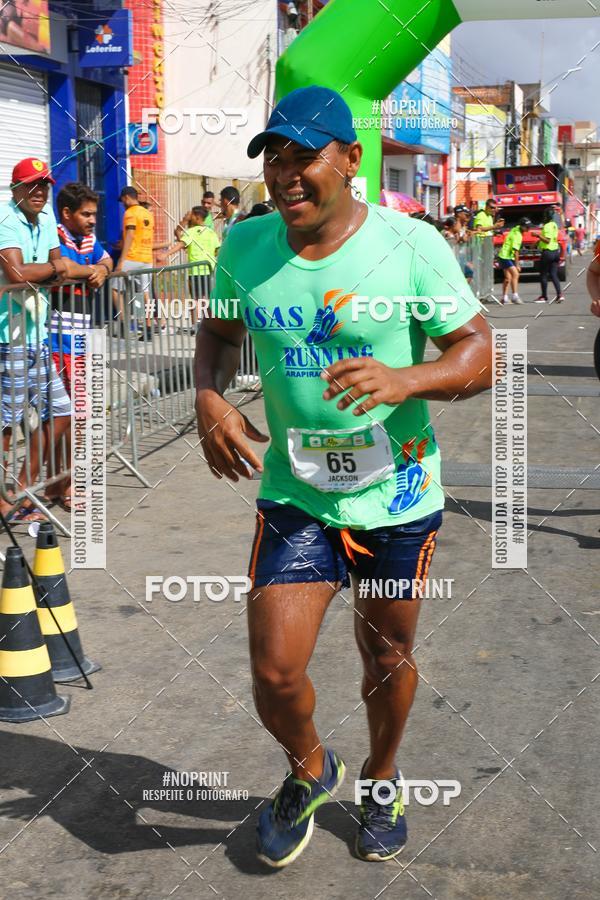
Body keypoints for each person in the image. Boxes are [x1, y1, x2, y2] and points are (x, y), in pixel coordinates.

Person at [195, 85, 492, 867]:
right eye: (276, 160)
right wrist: (208, 399)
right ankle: (310, 768)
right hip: (297, 496)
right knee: (274, 669)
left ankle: (383, 777)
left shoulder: (411, 245)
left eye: (306, 157)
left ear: (351, 160)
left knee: (385, 657)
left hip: (396, 496)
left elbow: (480, 352)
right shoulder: (245, 246)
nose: (288, 175)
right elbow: (219, 332)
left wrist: (408, 381)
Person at [0, 157, 73, 522]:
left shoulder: (46, 220)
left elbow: (59, 268)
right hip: (7, 337)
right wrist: (53, 270)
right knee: (7, 425)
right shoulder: (5, 219)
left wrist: (93, 269)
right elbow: (16, 271)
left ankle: (22, 489)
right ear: (16, 190)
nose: (40, 191)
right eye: (31, 184)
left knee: (60, 412)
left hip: (36, 337)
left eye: (44, 184)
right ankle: (3, 499)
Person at [45, 181, 113, 510]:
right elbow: (66, 269)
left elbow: (108, 260)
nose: (92, 220)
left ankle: (65, 483)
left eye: (95, 214)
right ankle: (58, 485)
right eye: (86, 214)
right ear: (67, 213)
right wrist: (92, 270)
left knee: (81, 418)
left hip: (82, 343)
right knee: (64, 419)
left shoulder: (87, 239)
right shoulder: (54, 236)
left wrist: (101, 268)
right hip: (57, 344)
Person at [113, 186, 155, 339]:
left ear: (126, 197)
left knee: (115, 289)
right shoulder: (148, 213)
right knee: (144, 294)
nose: (122, 203)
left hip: (131, 258)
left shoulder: (129, 213)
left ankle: (124, 325)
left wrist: (121, 261)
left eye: (122, 200)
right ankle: (148, 329)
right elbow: (141, 235)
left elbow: (130, 235)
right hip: (146, 259)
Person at [171, 206, 221, 332]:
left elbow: (180, 244)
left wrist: (166, 254)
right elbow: (218, 250)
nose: (189, 216)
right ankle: (210, 323)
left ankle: (196, 324)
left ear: (197, 217)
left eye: (191, 215)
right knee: (208, 298)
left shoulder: (191, 232)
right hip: (209, 270)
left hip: (195, 271)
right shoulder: (211, 232)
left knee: (195, 299)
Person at [497, 216, 531, 305]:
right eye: (527, 227)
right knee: (515, 273)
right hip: (505, 256)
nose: (528, 228)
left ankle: (504, 297)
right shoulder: (517, 235)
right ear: (522, 226)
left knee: (508, 278)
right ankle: (515, 296)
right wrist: (517, 265)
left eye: (529, 226)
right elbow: (516, 251)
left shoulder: (516, 229)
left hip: (506, 256)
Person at [535, 207, 564, 304]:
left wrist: (538, 235)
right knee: (553, 274)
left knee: (543, 274)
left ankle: (544, 296)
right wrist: (538, 242)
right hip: (555, 252)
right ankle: (559, 295)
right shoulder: (554, 225)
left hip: (548, 252)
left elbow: (547, 240)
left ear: (547, 216)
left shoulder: (547, 226)